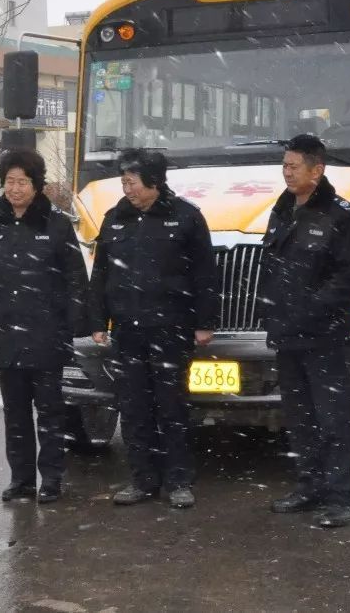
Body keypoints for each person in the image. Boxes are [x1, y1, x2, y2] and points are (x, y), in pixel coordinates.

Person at [88, 149, 219, 509]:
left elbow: (205, 275)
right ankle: (141, 480)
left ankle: (178, 481)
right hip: (128, 331)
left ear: (154, 182)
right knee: (132, 408)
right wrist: (97, 322)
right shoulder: (115, 219)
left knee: (171, 407)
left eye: (132, 182)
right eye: (124, 182)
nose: (126, 188)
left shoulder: (186, 217)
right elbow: (101, 275)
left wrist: (205, 322)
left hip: (170, 329)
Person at [0, 149, 89, 503]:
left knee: (50, 412)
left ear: (36, 185)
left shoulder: (56, 224)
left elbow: (75, 278)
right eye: (10, 182)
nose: (15, 189)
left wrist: (79, 321)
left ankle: (51, 478)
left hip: (47, 333)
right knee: (15, 413)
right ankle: (21, 479)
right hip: (6, 332)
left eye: (22, 182)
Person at [261, 135, 350, 528]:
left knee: (333, 419)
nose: (286, 173)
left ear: (317, 169)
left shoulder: (341, 215)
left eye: (294, 167)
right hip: (288, 336)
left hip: (325, 337)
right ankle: (309, 486)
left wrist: (313, 306)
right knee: (300, 418)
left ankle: (343, 497)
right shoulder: (284, 208)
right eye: (285, 166)